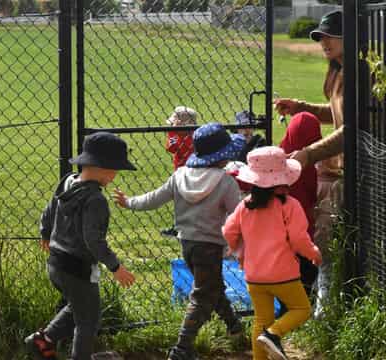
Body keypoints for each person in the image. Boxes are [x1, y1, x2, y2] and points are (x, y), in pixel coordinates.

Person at [113, 123, 244, 360]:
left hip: (188, 245)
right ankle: (182, 348)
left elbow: (153, 198)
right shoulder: (226, 183)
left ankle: (235, 328)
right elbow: (238, 216)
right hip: (211, 245)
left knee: (212, 287)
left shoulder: (180, 175)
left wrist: (129, 202)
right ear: (223, 156)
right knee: (203, 295)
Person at [25, 132, 136, 360]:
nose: (115, 175)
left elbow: (50, 207)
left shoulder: (68, 181)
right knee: (88, 320)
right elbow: (93, 240)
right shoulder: (96, 200)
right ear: (102, 168)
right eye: (114, 170)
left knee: (79, 307)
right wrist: (116, 267)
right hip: (77, 268)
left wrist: (45, 232)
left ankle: (42, 340)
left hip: (56, 263)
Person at [274, 10, 344, 315]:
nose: (323, 42)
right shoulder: (339, 72)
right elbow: (335, 112)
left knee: (327, 246)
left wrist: (309, 154)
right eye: (320, 37)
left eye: (330, 36)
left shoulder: (359, 72)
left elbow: (353, 128)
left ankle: (322, 313)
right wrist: (301, 107)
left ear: (351, 37)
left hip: (350, 170)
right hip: (338, 169)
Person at [222, 146, 323, 360]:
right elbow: (298, 238)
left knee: (261, 320)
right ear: (284, 177)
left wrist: (240, 253)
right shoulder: (289, 205)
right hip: (283, 274)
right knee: (301, 309)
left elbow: (228, 231)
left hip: (254, 275)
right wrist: (313, 252)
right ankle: (274, 334)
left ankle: (264, 346)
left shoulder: (245, 205)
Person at [277, 112, 323, 316]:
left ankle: (286, 309)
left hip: (280, 231)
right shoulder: (315, 165)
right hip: (306, 231)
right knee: (307, 272)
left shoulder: (278, 160)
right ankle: (305, 309)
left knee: (284, 272)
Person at [161, 106, 198, 237]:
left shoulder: (187, 138)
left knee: (183, 200)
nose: (171, 127)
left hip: (187, 173)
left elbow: (171, 148)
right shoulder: (193, 135)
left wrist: (171, 133)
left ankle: (181, 227)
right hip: (186, 172)